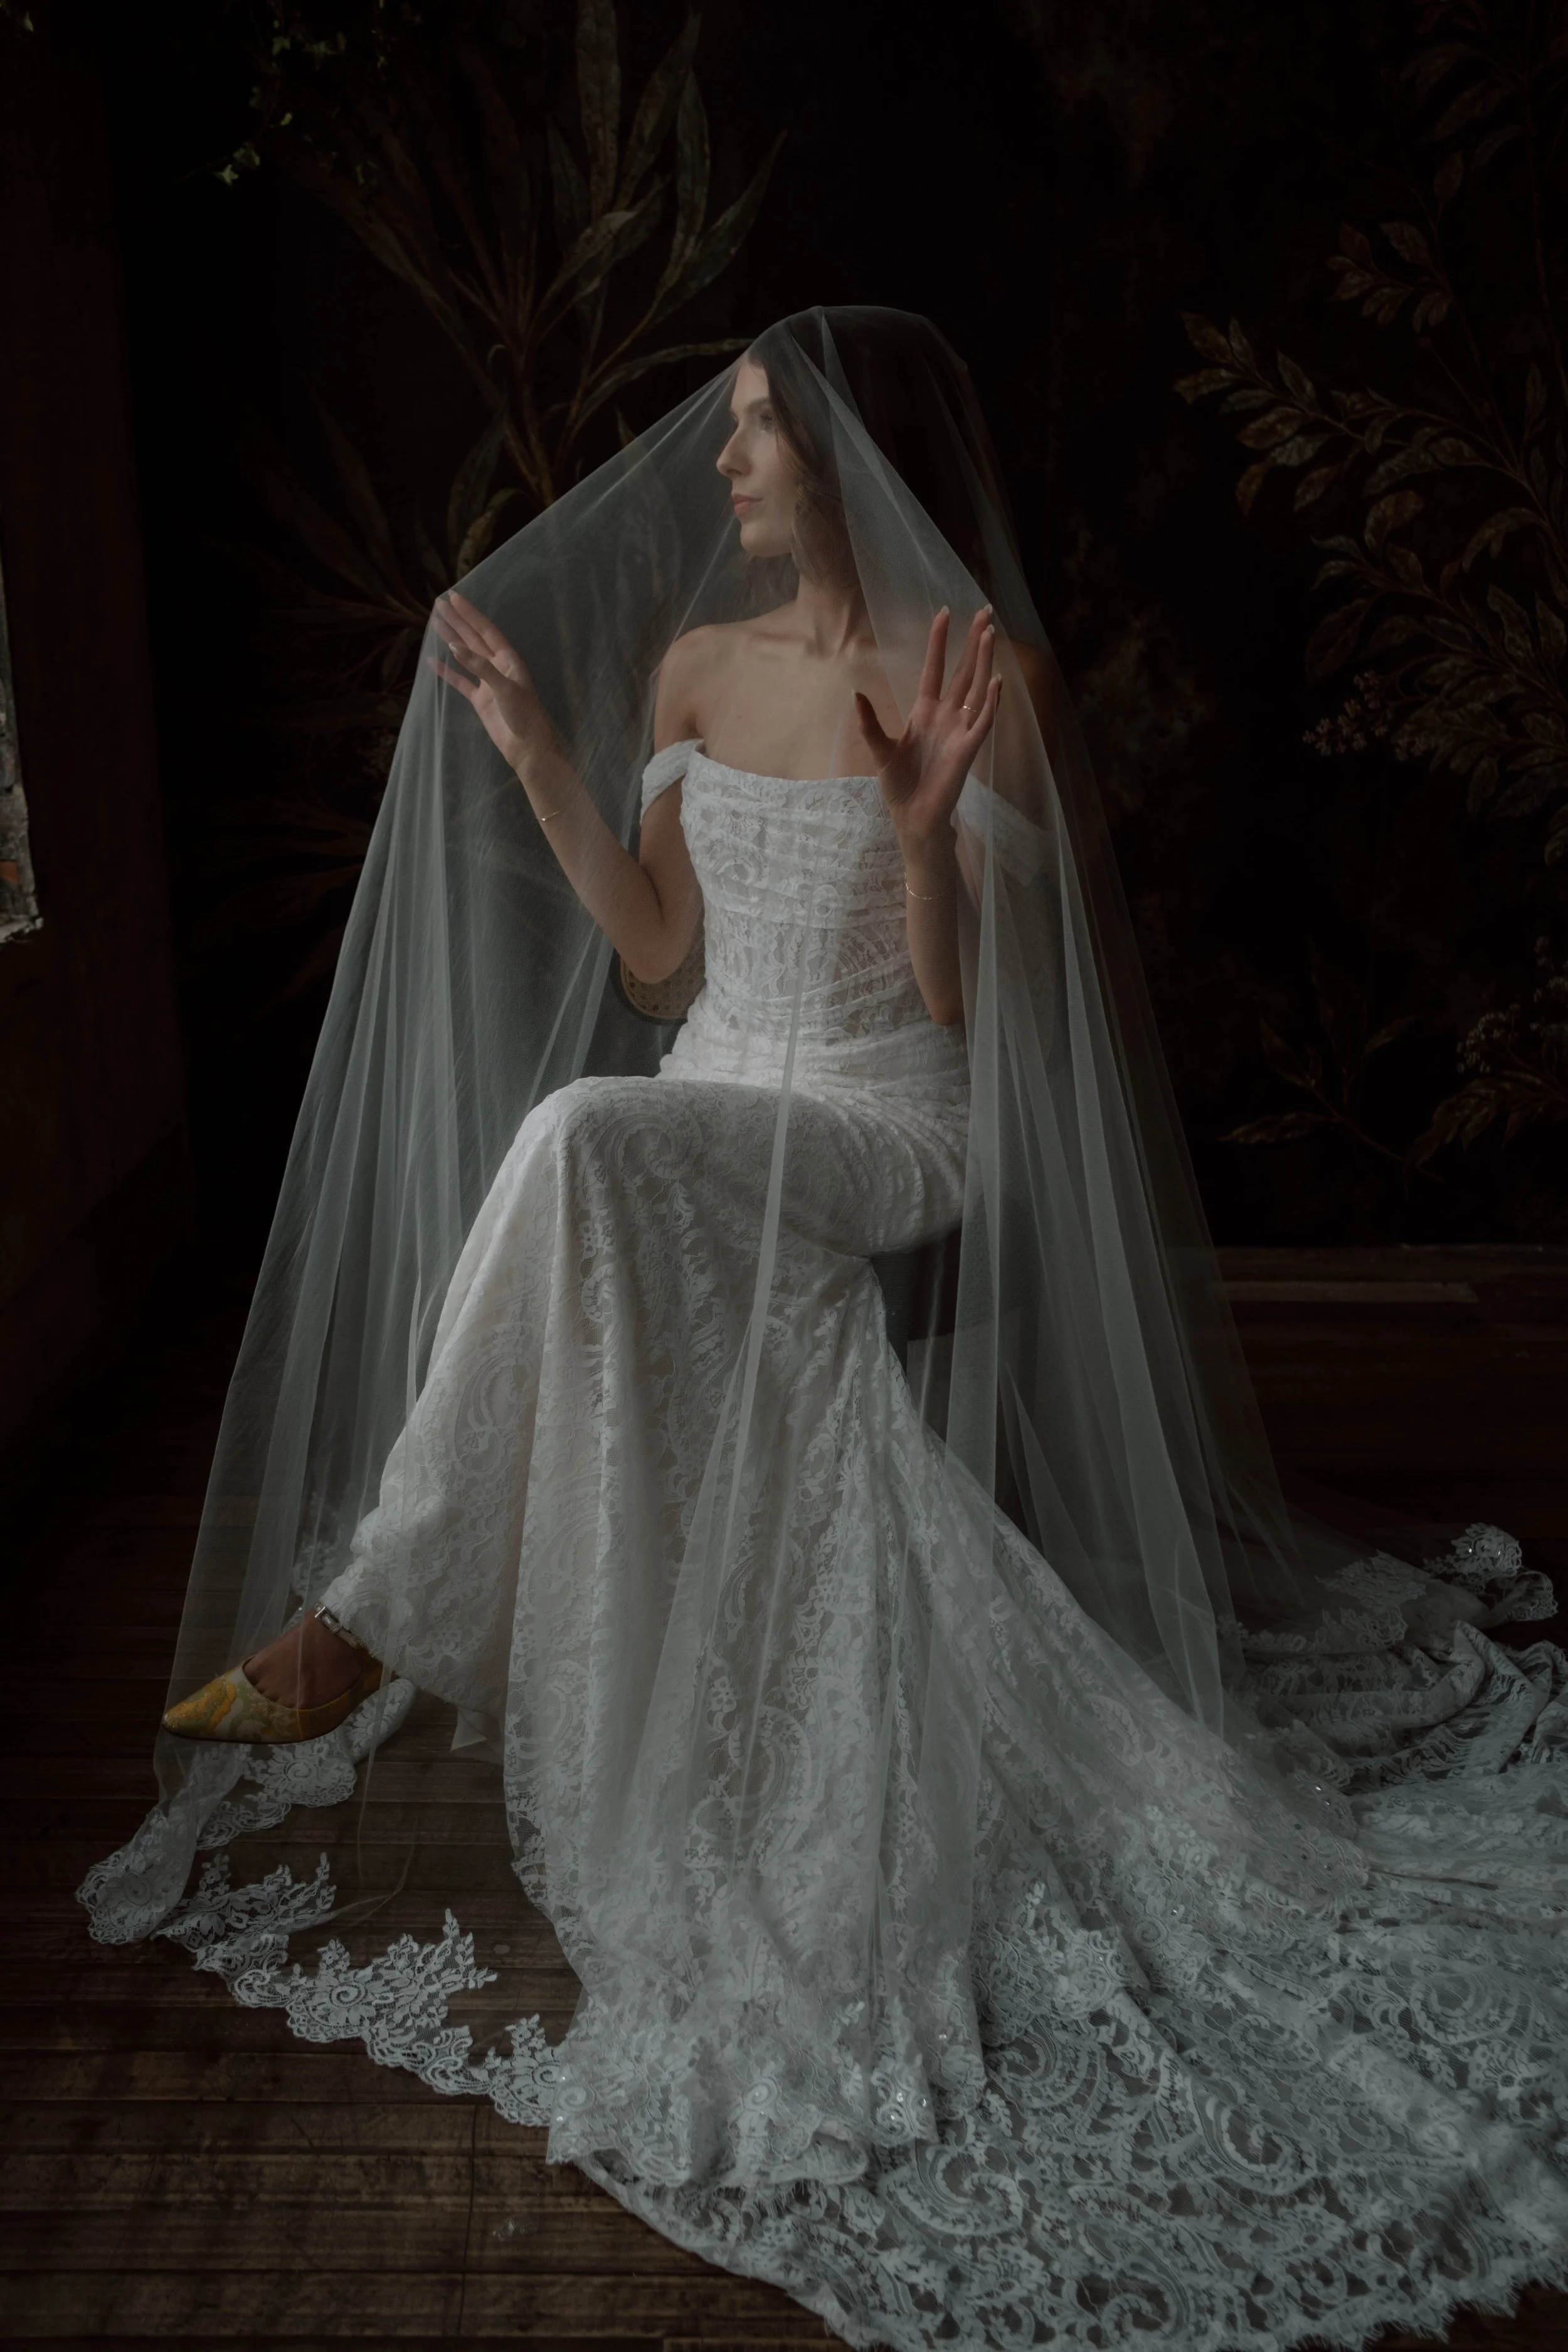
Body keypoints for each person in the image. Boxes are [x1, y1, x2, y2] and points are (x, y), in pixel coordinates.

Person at [83, 309, 1568, 2352]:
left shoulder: (989, 677)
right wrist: (532, 748)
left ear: (850, 455)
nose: (725, 464)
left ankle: (374, 1614)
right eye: (733, 434)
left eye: (759, 431)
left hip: (884, 1115)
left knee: (576, 1141)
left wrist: (923, 829)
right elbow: (657, 959)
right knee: (600, 1143)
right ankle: (412, 1612)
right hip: (709, 1090)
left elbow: (968, 1019)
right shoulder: (696, 669)